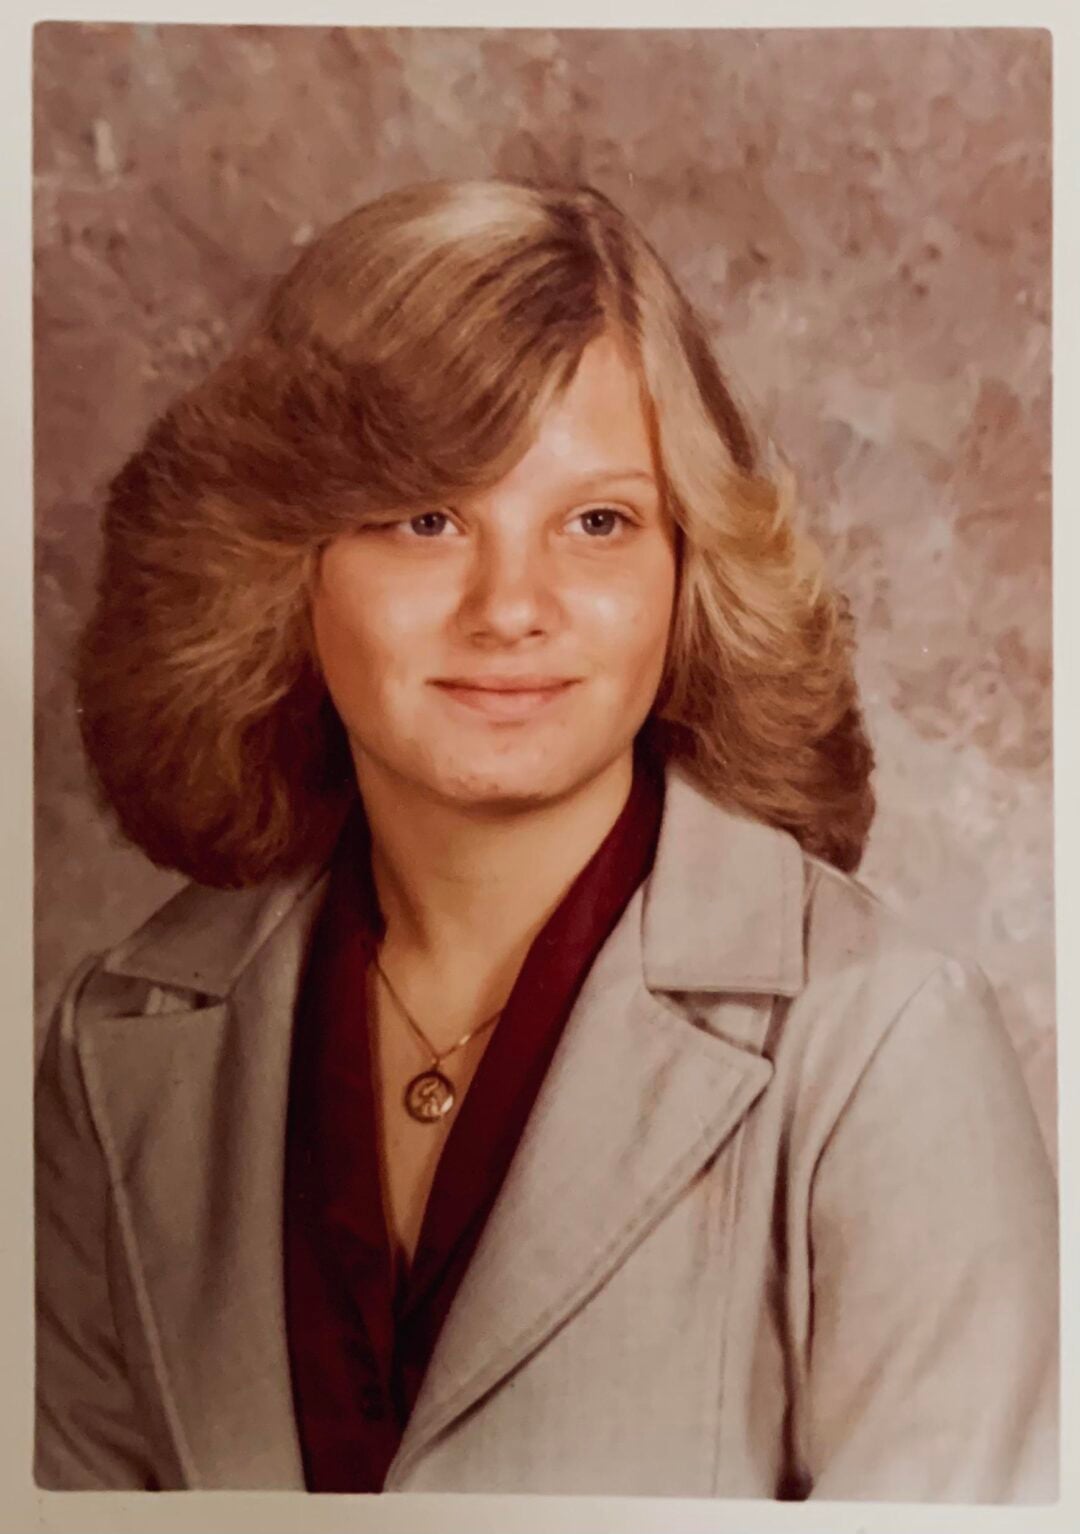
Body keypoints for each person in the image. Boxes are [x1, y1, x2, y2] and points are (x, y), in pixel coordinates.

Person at [35, 178, 1058, 1500]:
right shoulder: (109, 1051)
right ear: (276, 562)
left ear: (689, 570)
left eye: (598, 522)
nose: (512, 608)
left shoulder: (883, 1046)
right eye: (425, 518)